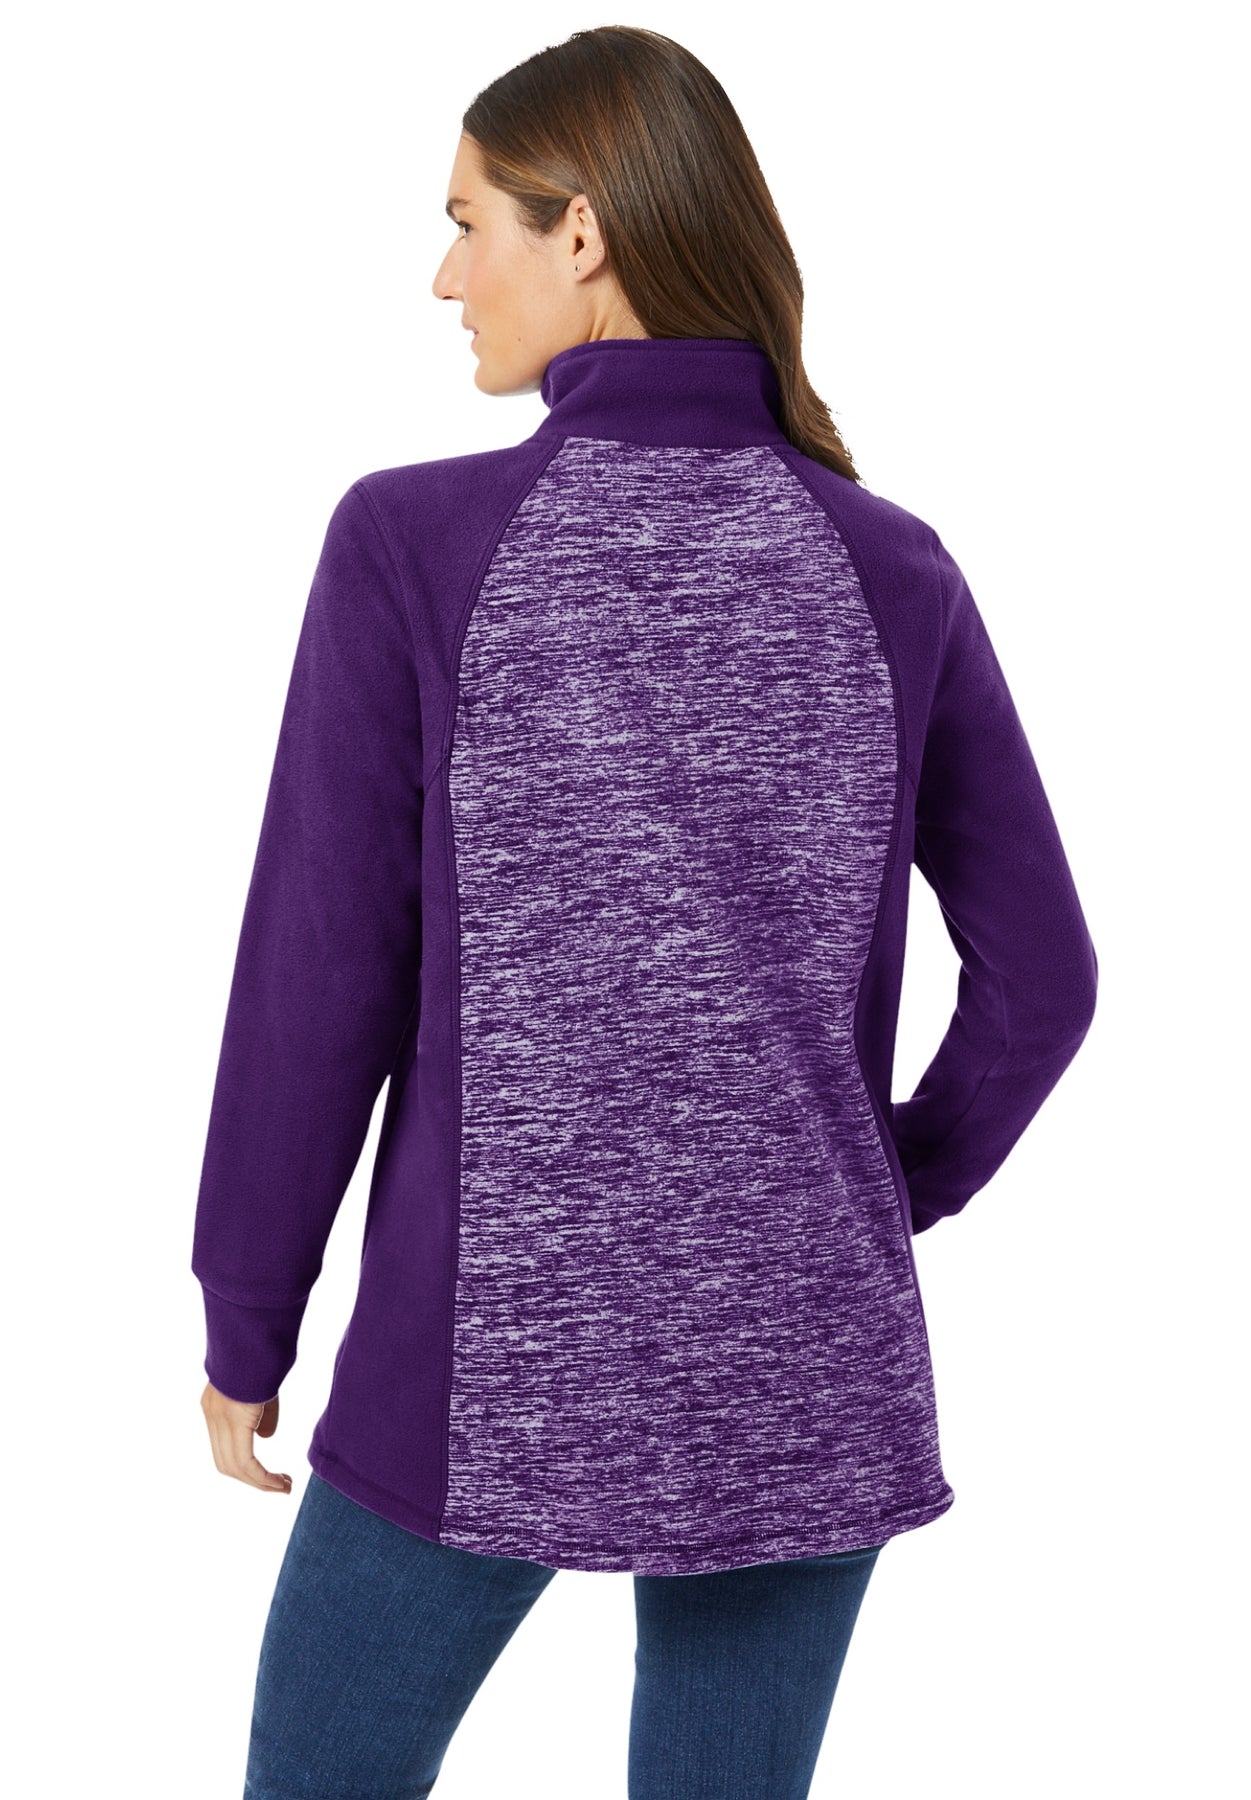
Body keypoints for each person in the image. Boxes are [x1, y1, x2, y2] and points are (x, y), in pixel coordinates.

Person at [192, 25, 1098, 1800]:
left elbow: (320, 986)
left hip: (480, 1368)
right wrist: (865, 1191)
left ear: (584, 232)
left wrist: (247, 1316)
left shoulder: (414, 546)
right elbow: (1045, 980)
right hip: (810, 1361)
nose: (445, 277)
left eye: (469, 224)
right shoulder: (891, 567)